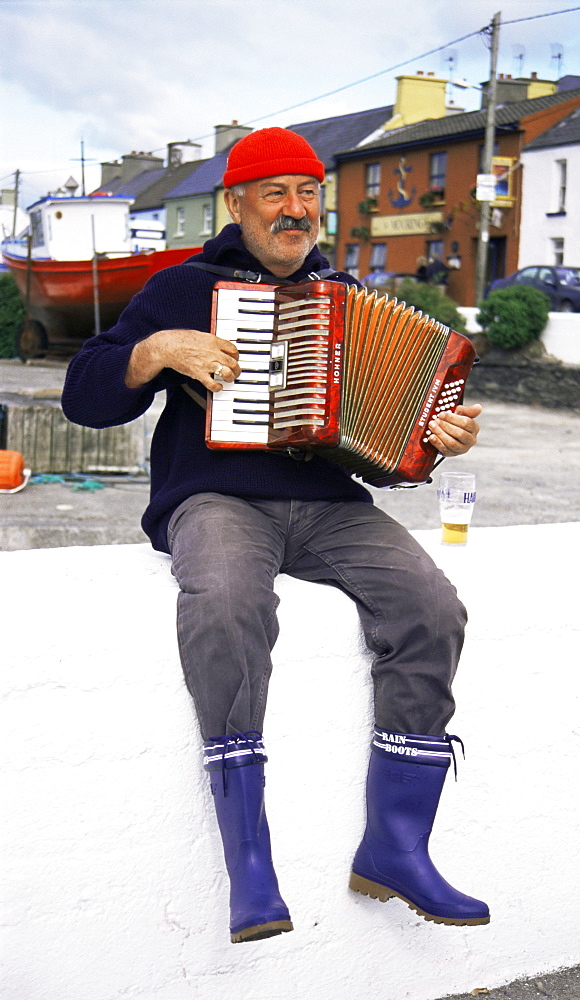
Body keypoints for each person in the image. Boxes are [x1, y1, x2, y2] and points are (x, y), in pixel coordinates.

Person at [62, 127, 489, 944]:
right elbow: (85, 396)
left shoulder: (344, 291)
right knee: (223, 599)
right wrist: (152, 351)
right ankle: (249, 860)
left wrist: (435, 441)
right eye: (275, 193)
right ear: (237, 204)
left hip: (328, 508)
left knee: (432, 605)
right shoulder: (182, 288)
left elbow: (384, 460)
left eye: (308, 193)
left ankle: (397, 845)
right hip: (216, 497)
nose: (296, 211)